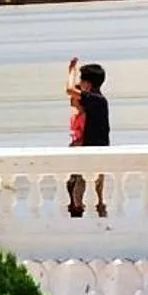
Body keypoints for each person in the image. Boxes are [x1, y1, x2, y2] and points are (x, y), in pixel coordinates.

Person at [65, 59, 110, 220]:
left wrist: (71, 70)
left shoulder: (96, 100)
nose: (79, 83)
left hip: (93, 152)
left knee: (85, 190)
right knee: (86, 188)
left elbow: (69, 90)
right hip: (92, 151)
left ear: (88, 83)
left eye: (81, 80)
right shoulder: (97, 100)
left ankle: (87, 218)